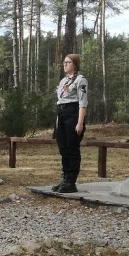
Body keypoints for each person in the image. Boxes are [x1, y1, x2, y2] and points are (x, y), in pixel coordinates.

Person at [52, 54, 88, 194]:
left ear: (75, 64)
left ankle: (71, 181)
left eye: (68, 62)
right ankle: (65, 178)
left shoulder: (80, 80)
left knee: (72, 148)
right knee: (63, 148)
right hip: (61, 115)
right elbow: (60, 101)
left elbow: (83, 103)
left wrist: (80, 122)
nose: (64, 64)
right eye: (64, 62)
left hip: (73, 114)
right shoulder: (63, 81)